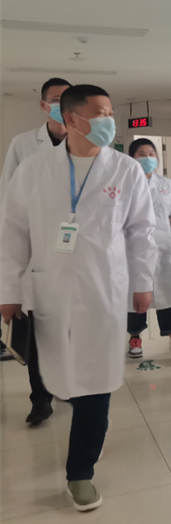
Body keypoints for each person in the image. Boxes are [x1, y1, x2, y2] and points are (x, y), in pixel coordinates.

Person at [0, 84, 157, 511]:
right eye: (101, 112)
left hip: (104, 291)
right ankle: (89, 427)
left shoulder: (125, 170)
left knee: (97, 381)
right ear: (71, 118)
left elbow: (141, 232)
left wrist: (143, 282)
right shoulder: (33, 170)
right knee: (60, 377)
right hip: (49, 290)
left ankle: (80, 471)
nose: (110, 120)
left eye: (111, 112)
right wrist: (8, 290)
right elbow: (12, 233)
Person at [0, 77, 72, 423]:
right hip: (36, 249)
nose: (61, 104)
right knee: (38, 327)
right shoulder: (23, 144)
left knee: (69, 326)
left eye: (66, 98)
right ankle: (40, 397)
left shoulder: (85, 142)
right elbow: (9, 204)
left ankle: (66, 385)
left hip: (74, 251)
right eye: (55, 99)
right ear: (44, 105)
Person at [126, 139, 171, 361]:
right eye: (142, 154)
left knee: (167, 292)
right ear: (132, 158)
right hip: (134, 248)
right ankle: (135, 337)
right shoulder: (125, 183)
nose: (148, 158)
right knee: (134, 292)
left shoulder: (167, 184)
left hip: (163, 246)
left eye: (152, 154)